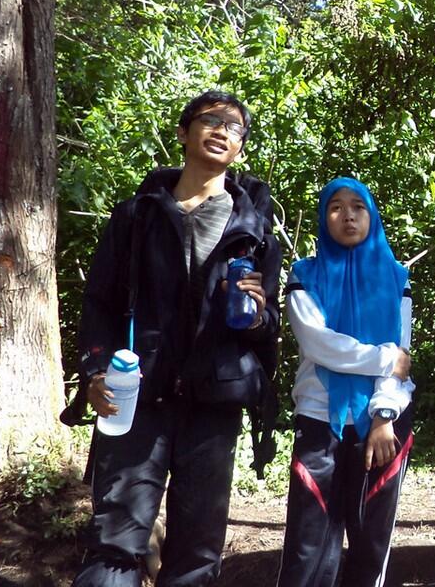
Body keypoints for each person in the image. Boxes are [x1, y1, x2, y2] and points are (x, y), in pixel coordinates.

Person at [73, 90, 281, 586]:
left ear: (239, 149)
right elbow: (100, 302)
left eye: (233, 128)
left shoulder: (254, 232)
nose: (221, 130)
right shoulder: (136, 217)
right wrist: (95, 371)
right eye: (210, 120)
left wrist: (255, 316)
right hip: (138, 395)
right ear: (185, 133)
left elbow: (268, 328)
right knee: (115, 540)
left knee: (197, 549)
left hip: (214, 404)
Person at [275, 177, 415, 587]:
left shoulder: (396, 277)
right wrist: (384, 358)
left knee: (372, 541)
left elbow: (401, 351)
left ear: (372, 216)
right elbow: (319, 344)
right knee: (309, 543)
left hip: (383, 422)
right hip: (320, 417)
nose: (348, 215)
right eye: (336, 207)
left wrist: (384, 414)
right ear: (324, 217)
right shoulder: (304, 275)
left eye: (358, 206)